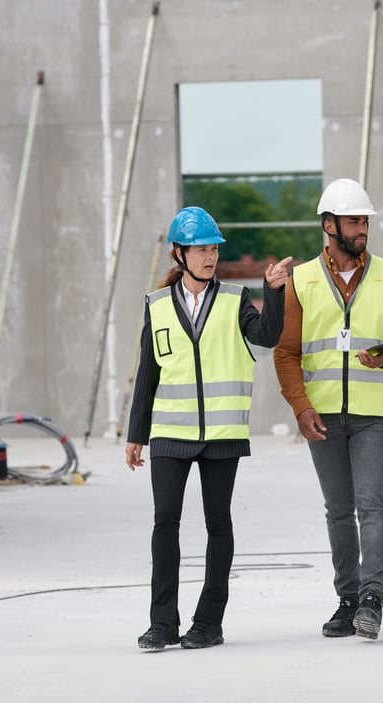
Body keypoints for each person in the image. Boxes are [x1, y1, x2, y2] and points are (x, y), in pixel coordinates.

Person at [126, 206, 291, 651]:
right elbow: (148, 373)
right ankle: (162, 624)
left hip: (221, 434)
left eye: (213, 248)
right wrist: (135, 434)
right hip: (168, 434)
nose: (209, 256)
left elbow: (268, 336)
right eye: (200, 248)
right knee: (165, 523)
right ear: (179, 253)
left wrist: (272, 292)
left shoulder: (236, 299)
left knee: (218, 525)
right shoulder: (157, 305)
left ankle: (208, 623)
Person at [273, 178, 383, 641]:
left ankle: (373, 599)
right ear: (329, 225)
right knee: (338, 510)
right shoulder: (300, 281)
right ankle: (348, 599)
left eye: (365, 221)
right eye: (354, 221)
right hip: (321, 415)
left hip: (374, 412)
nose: (362, 229)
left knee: (371, 505)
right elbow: (286, 353)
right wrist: (299, 407)